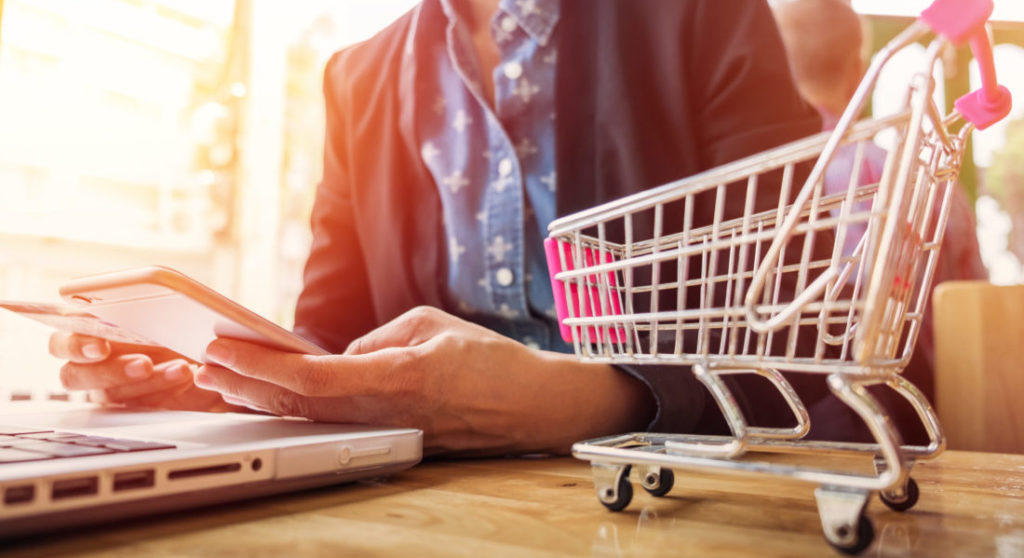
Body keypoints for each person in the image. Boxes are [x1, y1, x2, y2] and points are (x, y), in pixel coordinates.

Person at [51, 0, 831, 456]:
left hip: (667, 493)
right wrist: (227, 384)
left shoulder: (697, 17)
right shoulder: (356, 77)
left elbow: (802, 332)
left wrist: (596, 402)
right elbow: (333, 339)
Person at [771, 0, 988, 398]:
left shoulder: (753, 189)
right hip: (914, 407)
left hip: (785, 399)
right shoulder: (932, 183)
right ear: (859, 74)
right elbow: (976, 315)